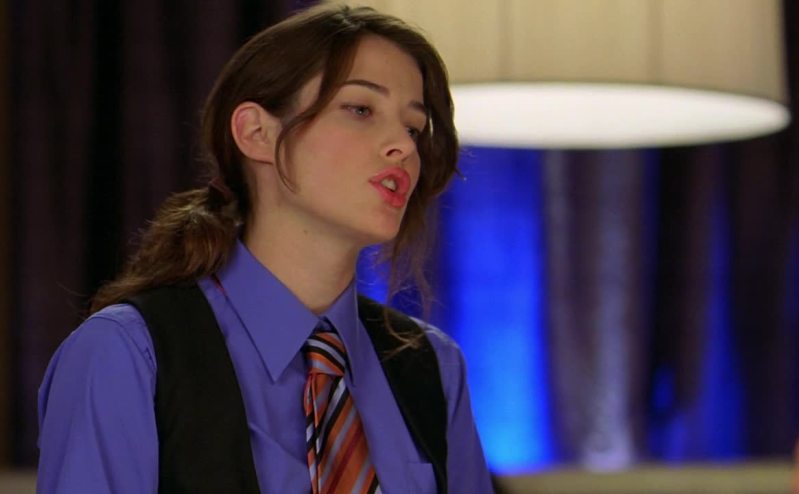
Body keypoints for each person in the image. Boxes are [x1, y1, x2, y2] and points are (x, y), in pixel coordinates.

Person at [36, 4, 493, 494]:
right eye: (361, 109)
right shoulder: (126, 353)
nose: (403, 146)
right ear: (256, 132)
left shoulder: (433, 367)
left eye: (413, 127)